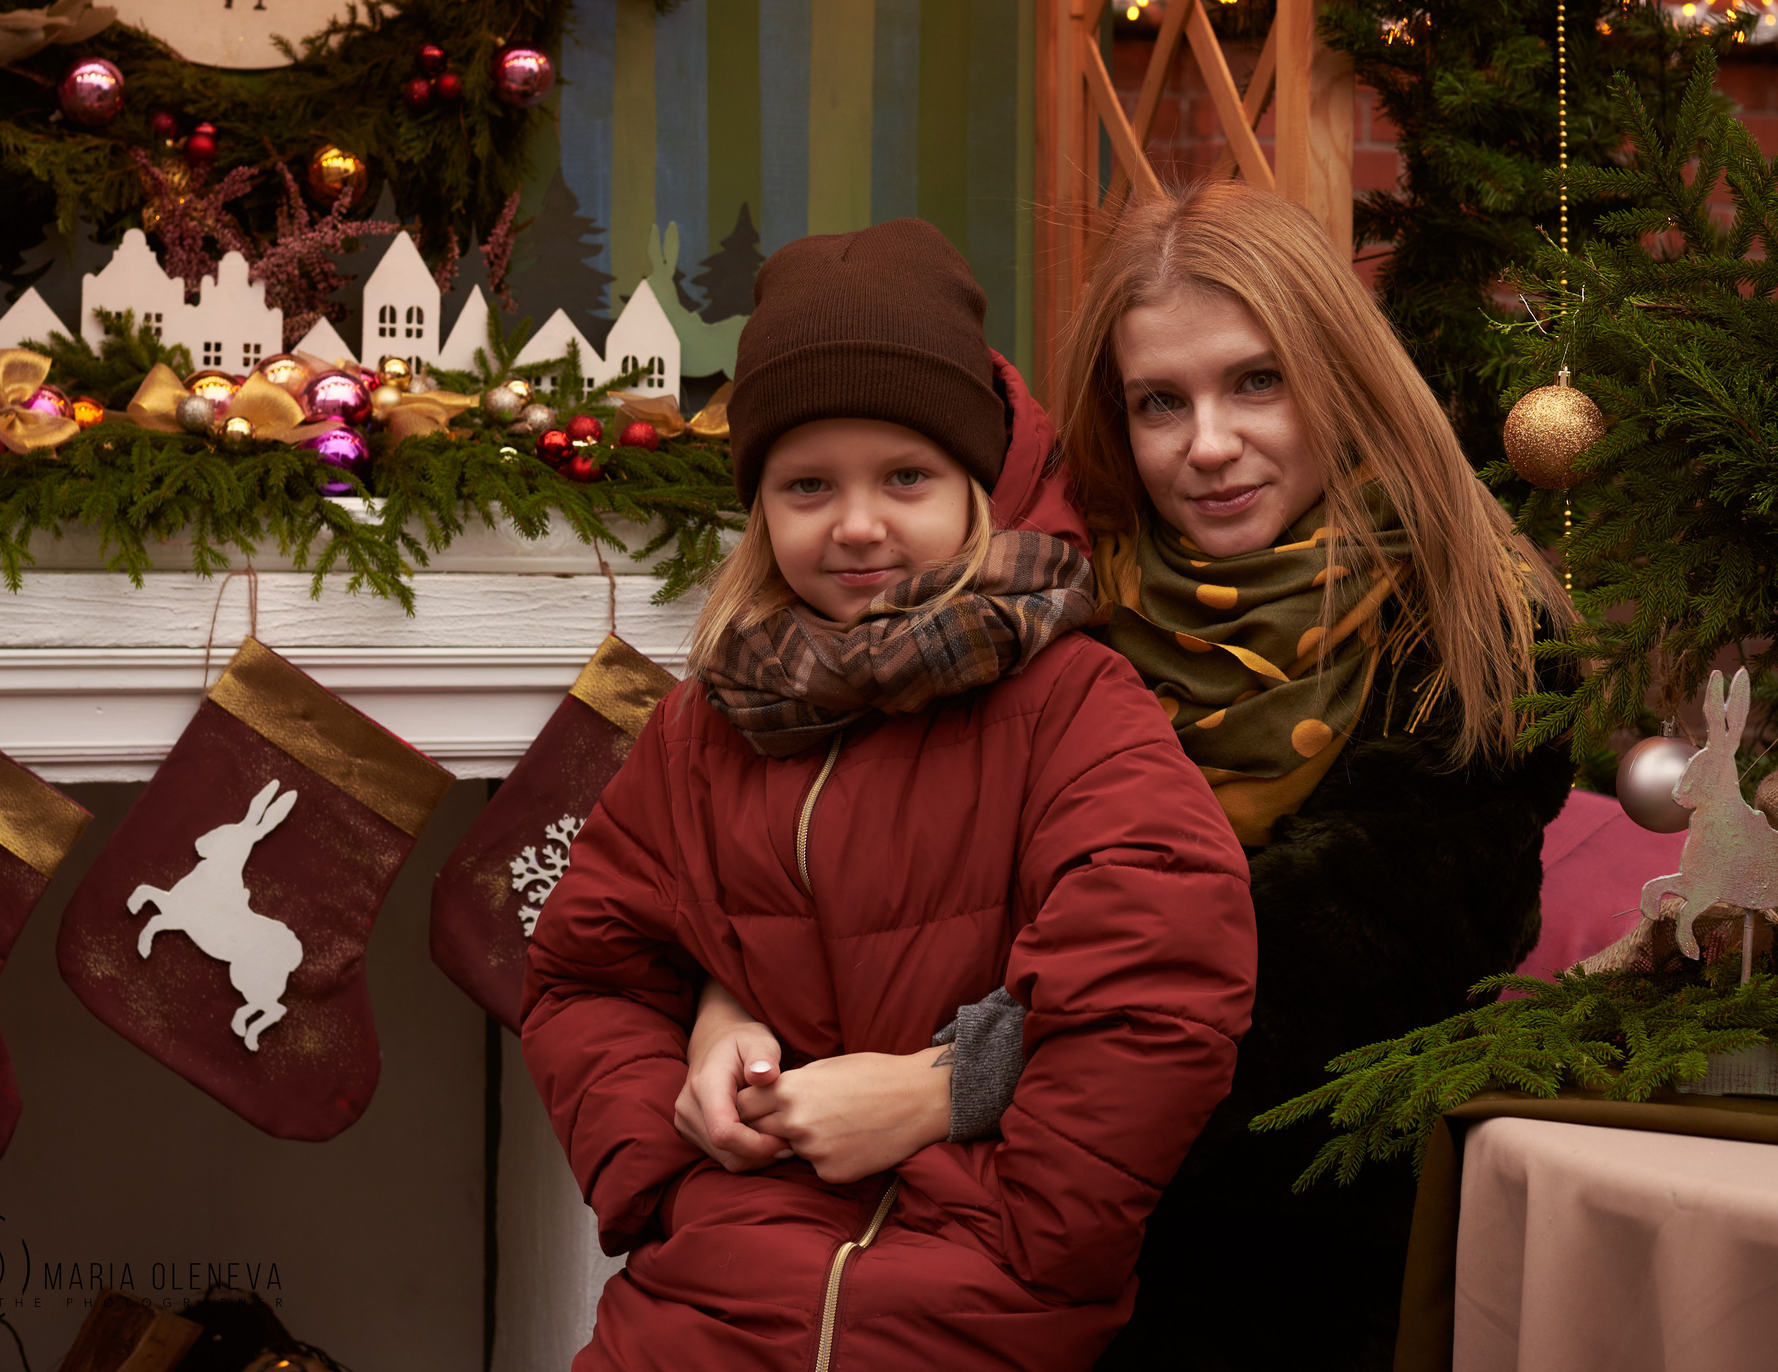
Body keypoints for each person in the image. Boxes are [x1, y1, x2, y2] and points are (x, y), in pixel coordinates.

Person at [682, 180, 1572, 1369]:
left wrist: (956, 1082)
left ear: (1340, 374)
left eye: (1256, 380)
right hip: (983, 1246)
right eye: (1161, 400)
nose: (1208, 444)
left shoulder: (1474, 618)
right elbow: (837, 845)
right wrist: (730, 996)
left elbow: (1333, 957)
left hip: (1303, 1234)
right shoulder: (1038, 597)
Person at [521, 218, 1258, 1372]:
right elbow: (586, 970)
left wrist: (1027, 1232)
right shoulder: (703, 725)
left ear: (978, 485)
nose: (856, 523)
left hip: (970, 1297)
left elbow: (1153, 982)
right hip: (710, 1290)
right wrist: (670, 1148)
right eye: (807, 482)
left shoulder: (1070, 700)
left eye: (904, 475)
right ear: (758, 505)